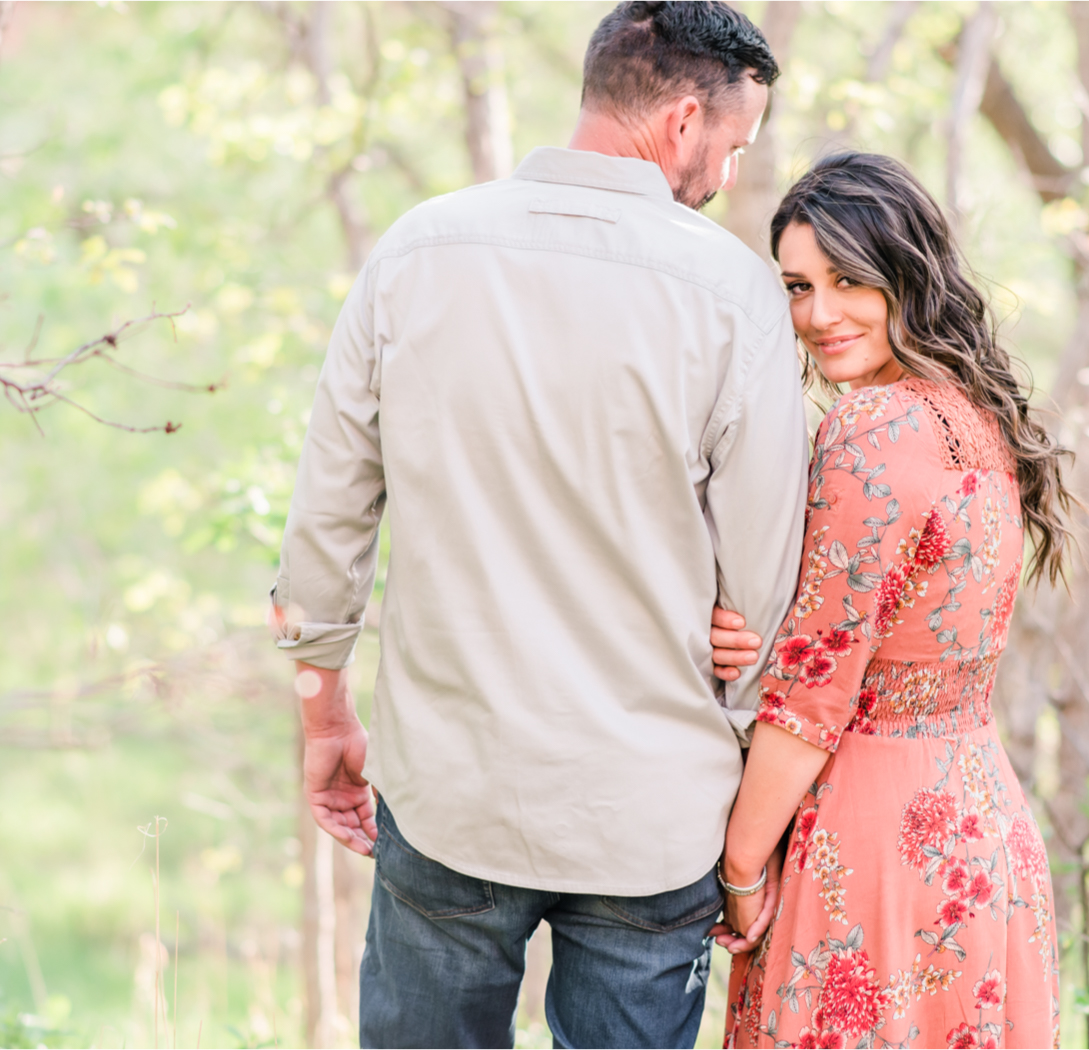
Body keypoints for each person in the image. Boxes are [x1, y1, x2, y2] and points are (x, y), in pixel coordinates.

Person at [270, 3, 811, 1046]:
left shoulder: (416, 252)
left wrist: (322, 710)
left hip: (453, 798)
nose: (728, 176)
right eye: (731, 147)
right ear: (683, 117)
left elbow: (328, 514)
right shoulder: (735, 295)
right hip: (652, 821)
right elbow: (765, 586)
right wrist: (742, 759)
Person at [708, 153, 1069, 1049]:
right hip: (981, 834)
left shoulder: (872, 427)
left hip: (873, 852)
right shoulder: (975, 415)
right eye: (798, 286)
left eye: (848, 280)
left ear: (907, 272)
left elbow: (817, 685)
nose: (819, 314)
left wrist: (743, 864)